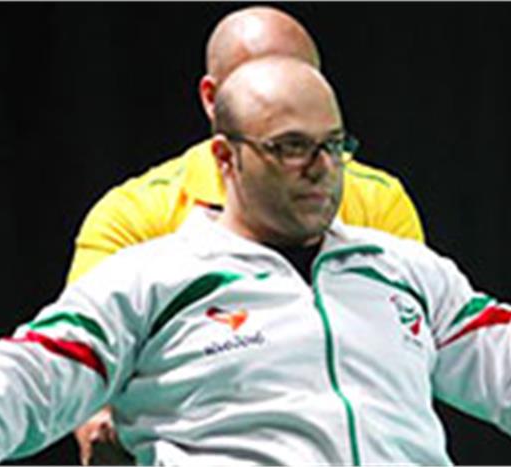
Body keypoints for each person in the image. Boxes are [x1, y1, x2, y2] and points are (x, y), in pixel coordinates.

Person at [0, 56, 511, 466]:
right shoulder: (150, 279)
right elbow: (24, 380)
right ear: (226, 157)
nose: (321, 168)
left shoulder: (405, 269)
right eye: (291, 147)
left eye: (334, 145)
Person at [67, 6, 425, 464]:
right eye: (262, 79)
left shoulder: (379, 201)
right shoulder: (131, 216)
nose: (287, 93)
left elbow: (409, 364)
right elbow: (86, 390)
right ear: (212, 98)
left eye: (302, 78)